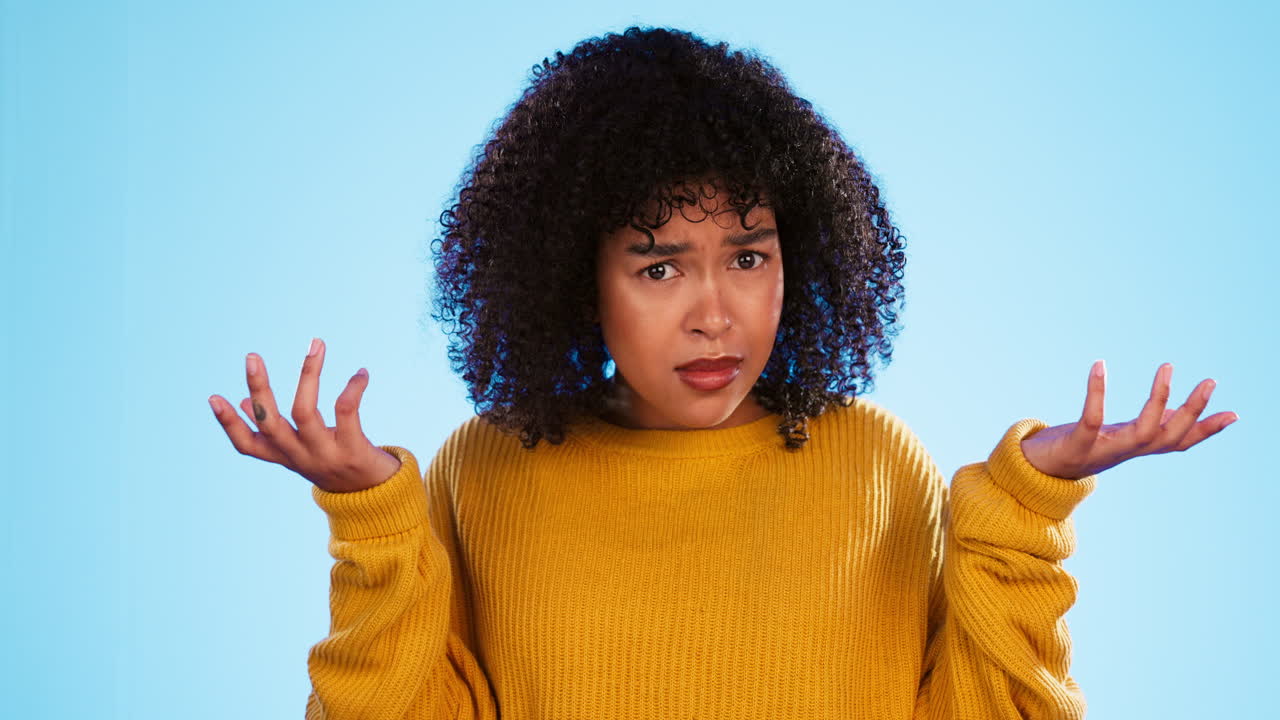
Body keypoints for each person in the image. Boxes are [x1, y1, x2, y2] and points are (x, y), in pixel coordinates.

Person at [208, 26, 1237, 720]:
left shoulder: (873, 460)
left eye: (747, 256)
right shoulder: (488, 472)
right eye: (659, 267)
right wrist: (369, 517)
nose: (716, 313)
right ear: (577, 278)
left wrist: (1025, 506)